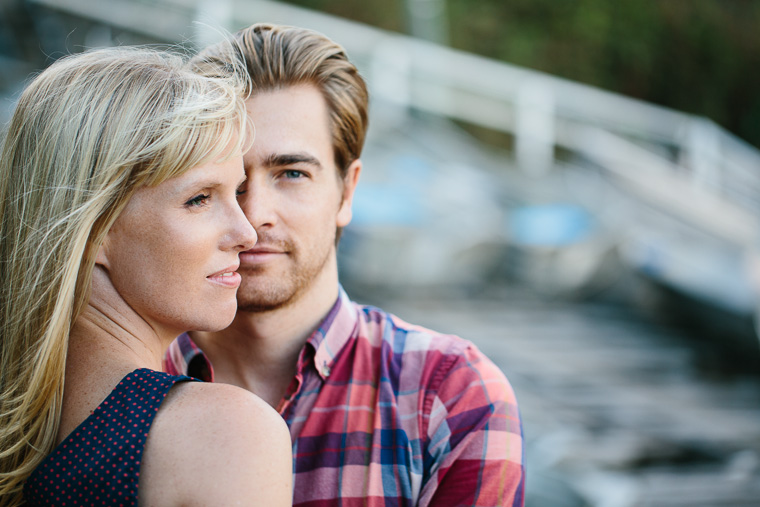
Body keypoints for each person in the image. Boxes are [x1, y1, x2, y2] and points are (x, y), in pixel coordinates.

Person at [165, 23, 525, 506]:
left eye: (291, 173)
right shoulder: (118, 388)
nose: (252, 216)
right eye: (225, 178)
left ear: (347, 191)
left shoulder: (449, 398)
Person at [0, 47, 292, 506]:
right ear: (95, 231)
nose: (246, 232)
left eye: (234, 193)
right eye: (199, 198)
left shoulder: (23, 438)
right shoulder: (225, 435)